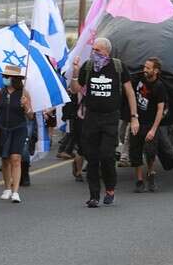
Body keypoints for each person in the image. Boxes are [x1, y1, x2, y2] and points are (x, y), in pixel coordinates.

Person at [70, 38, 139, 208]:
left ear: (107, 51)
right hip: (91, 118)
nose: (94, 53)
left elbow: (130, 92)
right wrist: (75, 72)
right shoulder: (88, 66)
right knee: (92, 158)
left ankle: (110, 189)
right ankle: (94, 196)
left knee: (107, 156)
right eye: (93, 50)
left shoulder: (118, 67)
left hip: (110, 118)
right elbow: (75, 89)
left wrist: (134, 117)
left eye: (98, 50)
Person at [0, 65, 33, 203]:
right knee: (5, 159)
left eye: (7, 77)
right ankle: (7, 188)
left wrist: (26, 106)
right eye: (4, 76)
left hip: (19, 128)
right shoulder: (0, 92)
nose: (5, 79)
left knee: (16, 158)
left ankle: (15, 191)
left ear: (15, 78)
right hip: (2, 128)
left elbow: (30, 116)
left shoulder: (24, 93)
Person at [129, 58, 166, 193]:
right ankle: (139, 180)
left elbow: (160, 109)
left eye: (148, 68)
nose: (145, 70)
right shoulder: (139, 79)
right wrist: (133, 118)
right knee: (135, 151)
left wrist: (153, 130)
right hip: (137, 121)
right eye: (145, 67)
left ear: (155, 71)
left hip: (150, 124)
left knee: (150, 153)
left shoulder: (159, 86)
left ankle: (151, 174)